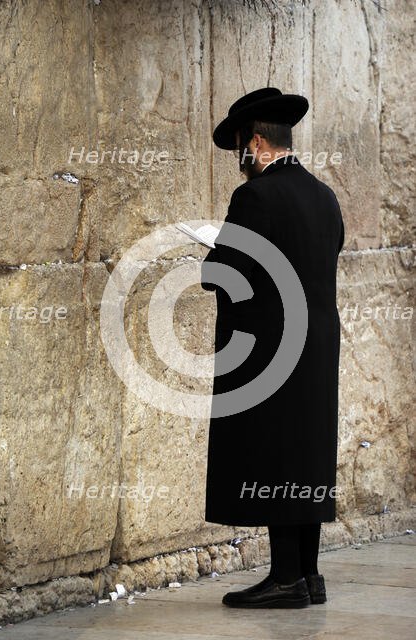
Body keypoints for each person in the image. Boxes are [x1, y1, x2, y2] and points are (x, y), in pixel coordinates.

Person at [200, 87, 345, 608]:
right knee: (306, 454)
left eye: (239, 146)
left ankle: (284, 578)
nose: (239, 158)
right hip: (319, 348)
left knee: (275, 456)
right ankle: (308, 575)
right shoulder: (324, 195)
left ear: (256, 142)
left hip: (270, 351)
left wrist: (209, 251)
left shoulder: (255, 197)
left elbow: (225, 273)